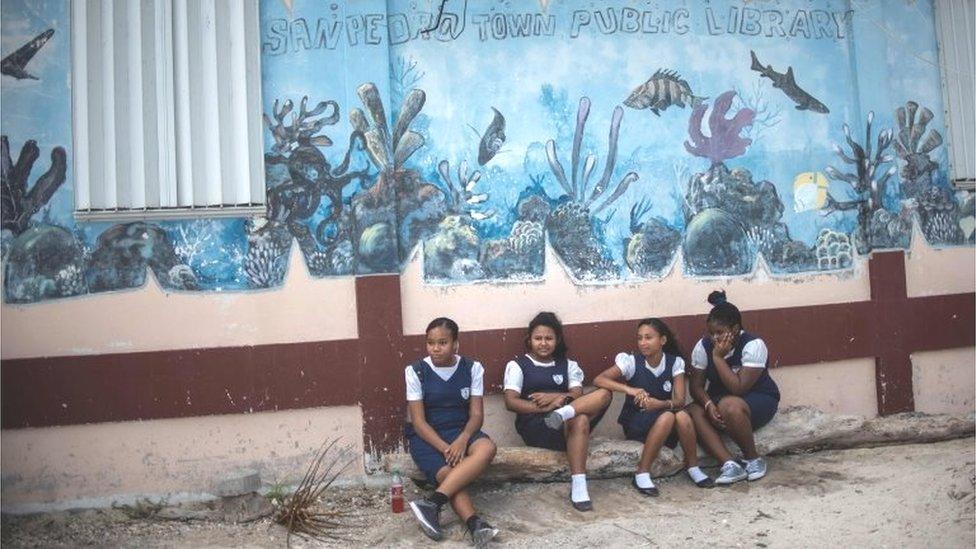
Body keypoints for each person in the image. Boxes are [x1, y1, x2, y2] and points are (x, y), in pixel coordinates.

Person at [502, 312, 611, 511]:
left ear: (557, 340)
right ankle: (563, 415)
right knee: (580, 420)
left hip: (567, 424)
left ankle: (578, 485)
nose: (543, 343)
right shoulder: (518, 365)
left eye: (549, 338)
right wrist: (548, 405)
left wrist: (554, 399)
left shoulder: (568, 365)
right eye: (538, 338)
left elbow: (577, 394)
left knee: (604, 394)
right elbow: (510, 402)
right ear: (529, 340)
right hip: (537, 426)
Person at [405, 317, 499, 546]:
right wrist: (446, 448)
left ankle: (432, 503)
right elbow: (418, 422)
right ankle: (475, 524)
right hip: (427, 437)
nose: (435, 348)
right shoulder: (415, 371)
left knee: (487, 447)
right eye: (430, 342)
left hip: (461, 430)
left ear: (456, 344)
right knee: (449, 474)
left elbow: (476, 415)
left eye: (442, 342)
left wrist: (463, 440)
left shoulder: (472, 368)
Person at [593, 318, 714, 495]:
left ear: (662, 340)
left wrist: (661, 404)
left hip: (664, 420)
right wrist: (630, 389)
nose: (643, 343)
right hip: (637, 422)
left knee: (681, 415)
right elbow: (599, 379)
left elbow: (680, 400)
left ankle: (693, 467)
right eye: (640, 338)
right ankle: (642, 472)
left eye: (648, 337)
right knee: (668, 416)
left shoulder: (675, 363)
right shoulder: (631, 362)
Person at [687, 290, 781, 485]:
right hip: (720, 403)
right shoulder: (702, 346)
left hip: (757, 400)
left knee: (730, 404)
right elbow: (696, 387)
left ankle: (753, 459)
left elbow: (739, 388)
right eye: (711, 333)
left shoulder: (753, 345)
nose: (714, 338)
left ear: (736, 328)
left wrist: (718, 358)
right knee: (693, 409)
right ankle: (730, 464)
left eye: (720, 333)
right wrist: (707, 405)